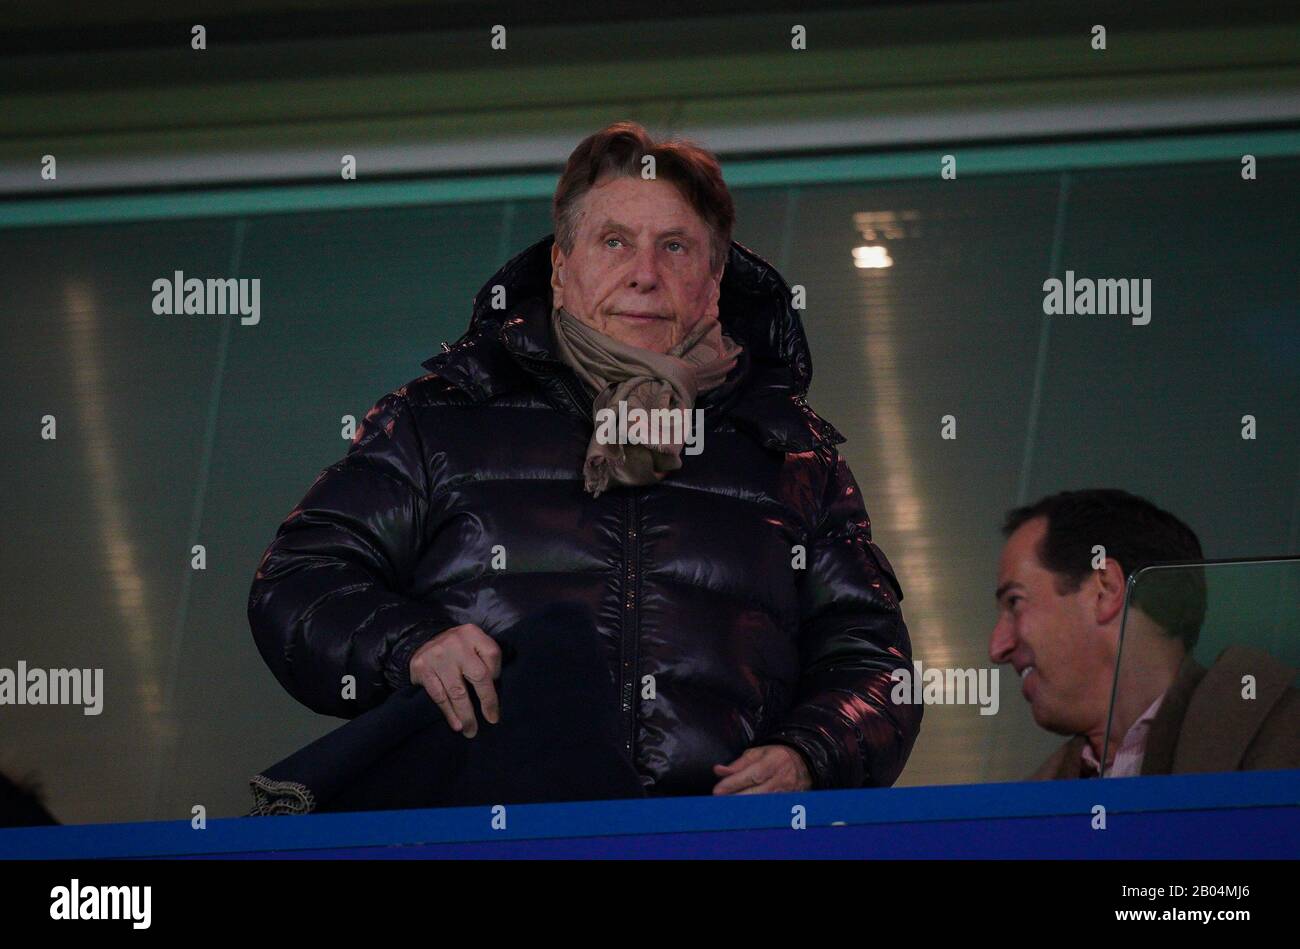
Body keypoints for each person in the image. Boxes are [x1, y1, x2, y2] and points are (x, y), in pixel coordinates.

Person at [247, 121, 920, 800]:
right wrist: (411, 644)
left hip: (714, 847)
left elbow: (873, 662)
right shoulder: (440, 421)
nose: (645, 274)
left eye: (676, 247)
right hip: (488, 846)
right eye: (615, 242)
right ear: (562, 272)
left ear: (713, 282)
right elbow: (299, 580)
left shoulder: (793, 455)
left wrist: (811, 752)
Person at [988, 488, 1300, 779]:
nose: (997, 648)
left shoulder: (1285, 738)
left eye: (1015, 601)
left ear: (1106, 589)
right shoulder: (1033, 812)